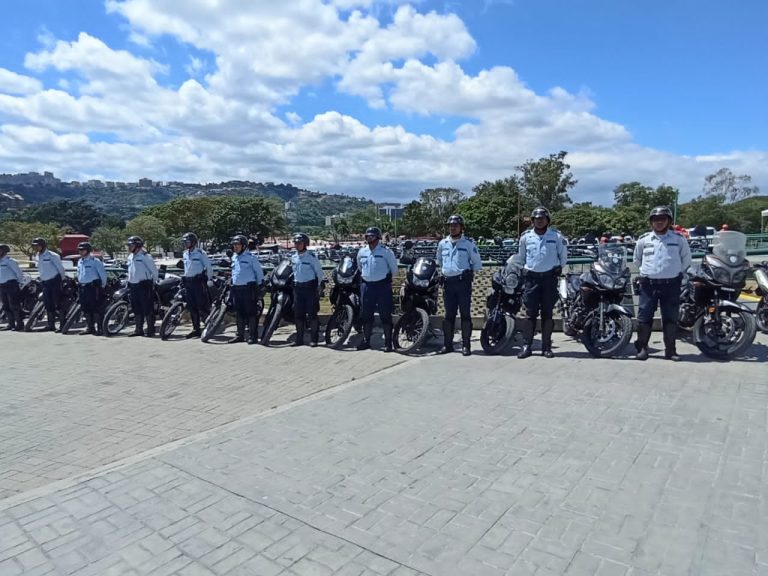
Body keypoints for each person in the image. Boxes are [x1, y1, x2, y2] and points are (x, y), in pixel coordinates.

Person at [633, 206, 692, 361]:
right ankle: (642, 349)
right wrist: (650, 272)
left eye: (662, 219)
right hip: (648, 285)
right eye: (655, 220)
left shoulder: (678, 239)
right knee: (644, 317)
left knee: (670, 318)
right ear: (651, 222)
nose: (658, 222)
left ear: (668, 221)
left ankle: (671, 351)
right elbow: (637, 260)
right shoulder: (644, 240)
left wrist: (675, 272)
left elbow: (686, 260)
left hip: (671, 284)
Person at [513, 207, 568, 359]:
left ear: (547, 220)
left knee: (547, 314)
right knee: (529, 314)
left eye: (542, 218)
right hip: (531, 280)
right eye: (536, 219)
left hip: (549, 279)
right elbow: (522, 256)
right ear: (532, 221)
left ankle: (546, 347)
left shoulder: (556, 236)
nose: (539, 221)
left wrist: (559, 267)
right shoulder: (526, 237)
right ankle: (526, 346)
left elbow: (563, 255)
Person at [435, 214, 482, 356]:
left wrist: (469, 274)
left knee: (465, 315)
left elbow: (477, 263)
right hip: (448, 284)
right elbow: (439, 261)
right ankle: (447, 345)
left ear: (461, 227)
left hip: (462, 283)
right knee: (448, 315)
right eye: (451, 225)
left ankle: (466, 345)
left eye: (456, 225)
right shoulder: (443, 243)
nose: (453, 228)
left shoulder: (468, 243)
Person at [356, 226, 398, 351]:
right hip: (367, 286)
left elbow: (394, 270)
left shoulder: (386, 252)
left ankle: (388, 342)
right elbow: (360, 267)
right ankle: (366, 340)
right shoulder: (362, 252)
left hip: (382, 287)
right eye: (367, 236)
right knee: (366, 314)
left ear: (378, 237)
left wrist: (384, 278)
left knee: (385, 315)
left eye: (372, 236)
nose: (369, 238)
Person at [290, 233, 324, 347]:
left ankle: (314, 339)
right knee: (298, 315)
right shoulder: (293, 257)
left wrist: (319, 286)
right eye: (296, 243)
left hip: (310, 288)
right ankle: (299, 339)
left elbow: (319, 273)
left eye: (300, 243)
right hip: (298, 288)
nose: (297, 245)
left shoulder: (311, 257)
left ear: (305, 244)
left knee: (312, 314)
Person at [229, 234, 263, 344]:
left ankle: (253, 336)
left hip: (248, 289)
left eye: (237, 245)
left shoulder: (251, 258)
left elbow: (259, 273)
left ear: (243, 246)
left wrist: (258, 286)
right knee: (239, 313)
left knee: (251, 313)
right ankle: (240, 335)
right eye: (234, 245)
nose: (235, 247)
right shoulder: (234, 257)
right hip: (236, 289)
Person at [181, 232, 213, 339]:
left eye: (187, 242)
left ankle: (209, 326)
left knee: (202, 305)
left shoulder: (200, 253)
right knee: (192, 307)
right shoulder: (185, 253)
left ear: (194, 242)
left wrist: (207, 280)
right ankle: (196, 329)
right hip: (188, 282)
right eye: (184, 242)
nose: (186, 244)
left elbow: (208, 268)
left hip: (198, 282)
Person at [31, 237, 66, 332]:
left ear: (43, 246)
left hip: (55, 281)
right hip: (45, 282)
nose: (35, 248)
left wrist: (61, 280)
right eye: (34, 246)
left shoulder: (52, 255)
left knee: (58, 303)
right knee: (48, 304)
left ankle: (63, 325)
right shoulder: (37, 256)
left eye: (37, 246)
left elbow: (60, 269)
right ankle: (51, 325)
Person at [126, 236, 158, 337]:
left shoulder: (145, 256)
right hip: (133, 286)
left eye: (131, 245)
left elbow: (154, 271)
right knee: (136, 308)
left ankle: (150, 329)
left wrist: (152, 283)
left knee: (147, 308)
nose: (129, 247)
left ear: (138, 245)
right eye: (129, 245)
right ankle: (138, 330)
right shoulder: (130, 257)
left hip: (144, 285)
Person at [75, 242, 107, 335]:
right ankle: (90, 328)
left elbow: (103, 275)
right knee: (86, 308)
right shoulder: (80, 261)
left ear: (87, 250)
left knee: (96, 309)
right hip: (82, 287)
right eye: (79, 250)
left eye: (82, 250)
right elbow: (79, 273)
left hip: (93, 287)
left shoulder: (95, 261)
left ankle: (100, 328)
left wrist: (102, 287)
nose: (80, 252)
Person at [0, 243, 24, 331]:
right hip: (2, 285)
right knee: (6, 306)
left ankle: (19, 324)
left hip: (11, 285)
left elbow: (18, 273)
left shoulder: (10, 261)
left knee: (14, 306)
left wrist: (20, 283)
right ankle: (11, 324)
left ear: (4, 251)